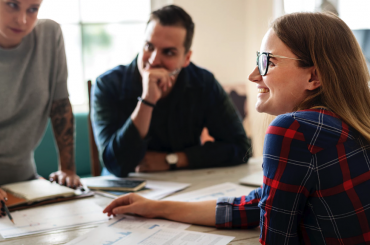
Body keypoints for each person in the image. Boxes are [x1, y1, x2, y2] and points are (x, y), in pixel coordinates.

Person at [103, 12, 370, 244]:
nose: (253, 75)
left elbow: (275, 238)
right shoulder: (350, 121)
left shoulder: (294, 129)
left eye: (268, 61)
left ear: (314, 76)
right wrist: (157, 208)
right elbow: (260, 203)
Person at [91, 5, 251, 177]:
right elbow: (115, 165)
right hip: (122, 191)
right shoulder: (107, 85)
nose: (153, 60)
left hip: (185, 187)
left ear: (186, 58)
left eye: (168, 52)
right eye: (149, 47)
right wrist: (147, 100)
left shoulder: (203, 83)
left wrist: (174, 159)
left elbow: (241, 148)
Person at [0, 0, 81, 210]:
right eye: (12, 4)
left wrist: (68, 171)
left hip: (25, 182)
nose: (22, 19)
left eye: (33, 9)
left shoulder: (49, 35)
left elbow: (60, 105)